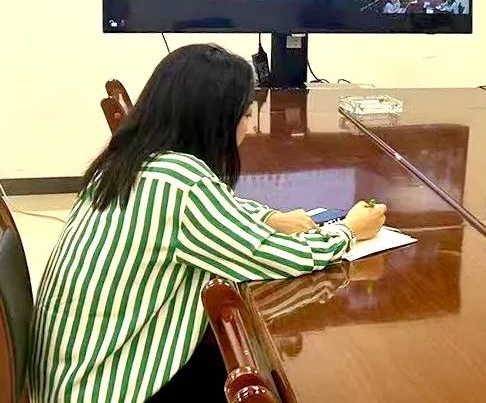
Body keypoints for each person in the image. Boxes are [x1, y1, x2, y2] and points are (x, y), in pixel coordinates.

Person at [28, 44, 387, 402]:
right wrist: (348, 230)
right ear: (214, 122)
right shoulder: (183, 183)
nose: (250, 128)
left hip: (72, 378)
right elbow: (274, 257)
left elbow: (215, 209)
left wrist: (269, 217)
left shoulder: (135, 160)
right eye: (246, 116)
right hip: (109, 387)